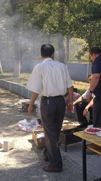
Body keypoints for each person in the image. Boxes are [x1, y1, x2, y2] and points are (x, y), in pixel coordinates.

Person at [26, 44, 74, 173]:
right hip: (60, 101)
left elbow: (36, 89)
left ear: (41, 55)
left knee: (50, 132)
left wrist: (31, 104)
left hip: (47, 103)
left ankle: (56, 164)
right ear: (53, 55)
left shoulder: (39, 67)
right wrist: (70, 102)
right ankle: (48, 153)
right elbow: (70, 86)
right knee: (56, 130)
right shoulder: (62, 66)